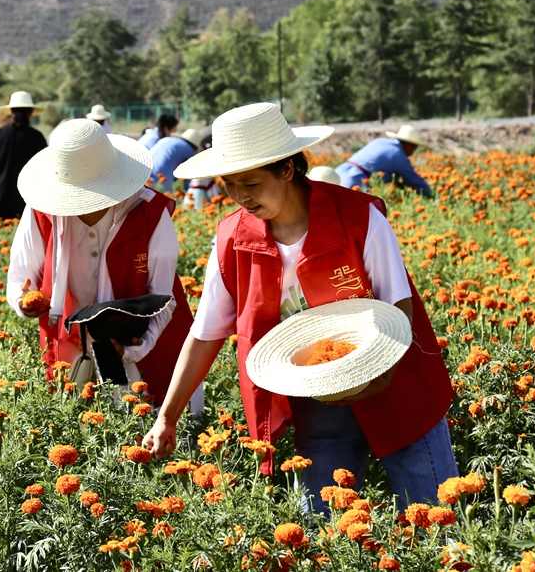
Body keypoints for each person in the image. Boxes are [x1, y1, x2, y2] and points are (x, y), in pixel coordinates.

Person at [142, 103, 456, 513]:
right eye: (230, 184)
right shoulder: (231, 239)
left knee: (435, 514)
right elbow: (205, 335)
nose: (240, 196)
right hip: (318, 400)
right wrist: (167, 416)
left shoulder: (358, 218)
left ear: (287, 169)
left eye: (251, 182)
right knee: (327, 532)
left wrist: (380, 377)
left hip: (396, 382)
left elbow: (399, 304)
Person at [6, 118, 201, 410]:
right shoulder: (41, 212)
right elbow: (20, 278)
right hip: (68, 338)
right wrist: (23, 302)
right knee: (72, 421)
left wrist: (138, 347)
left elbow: (163, 296)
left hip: (139, 337)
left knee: (140, 418)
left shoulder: (149, 212)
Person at [0, 91, 48, 220]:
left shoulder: (0, 134)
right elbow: (45, 168)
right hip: (28, 195)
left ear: (11, 111)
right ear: (30, 113)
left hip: (1, 195)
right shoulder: (37, 137)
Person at [334, 125, 432, 197]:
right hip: (355, 181)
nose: (414, 151)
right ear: (409, 145)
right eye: (415, 147)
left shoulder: (381, 141)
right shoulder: (398, 155)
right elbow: (414, 180)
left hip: (339, 172)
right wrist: (431, 195)